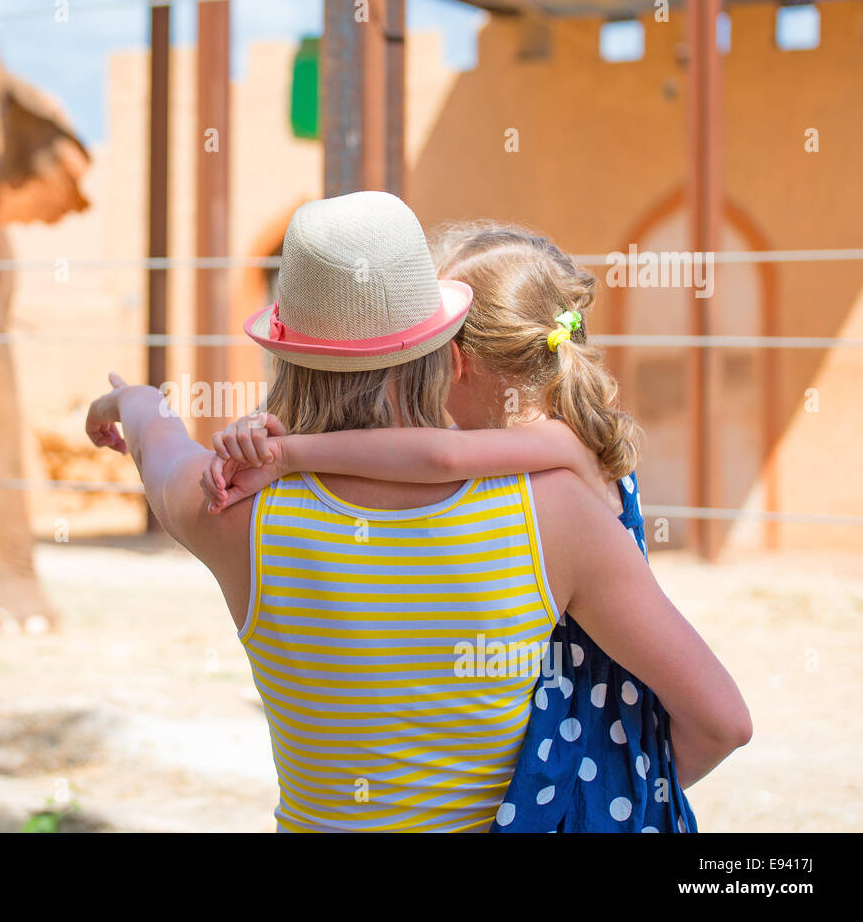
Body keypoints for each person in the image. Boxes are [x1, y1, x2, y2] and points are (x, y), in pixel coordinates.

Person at [86, 192, 749, 832]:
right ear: (443, 350)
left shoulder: (228, 502)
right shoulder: (554, 507)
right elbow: (723, 722)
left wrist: (135, 402)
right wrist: (595, 796)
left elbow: (159, 448)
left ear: (283, 346)